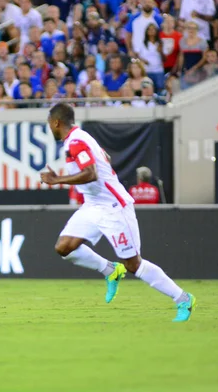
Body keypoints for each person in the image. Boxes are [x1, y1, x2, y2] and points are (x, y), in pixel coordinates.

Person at [40, 103, 195, 322]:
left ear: (56, 122)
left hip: (114, 207)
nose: (50, 128)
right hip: (93, 204)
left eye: (49, 124)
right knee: (64, 247)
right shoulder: (82, 138)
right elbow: (106, 160)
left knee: (134, 264)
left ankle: (183, 298)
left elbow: (91, 173)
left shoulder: (76, 142)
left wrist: (57, 180)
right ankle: (110, 270)